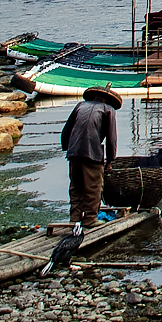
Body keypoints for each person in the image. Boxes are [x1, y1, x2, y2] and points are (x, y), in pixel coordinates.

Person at [59, 86, 120, 227]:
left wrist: (67, 148)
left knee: (76, 186)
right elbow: (111, 139)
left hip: (74, 151)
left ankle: (74, 218)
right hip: (92, 152)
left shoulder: (80, 106)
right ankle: (90, 218)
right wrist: (110, 161)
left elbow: (66, 130)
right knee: (93, 187)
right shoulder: (108, 110)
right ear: (108, 100)